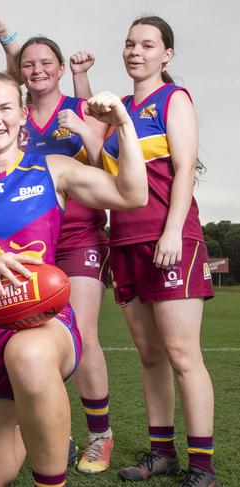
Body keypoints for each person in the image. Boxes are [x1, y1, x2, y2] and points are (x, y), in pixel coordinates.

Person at [0, 72, 146, 487]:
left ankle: (50, 476)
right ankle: (41, 427)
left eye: (5, 108)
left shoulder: (54, 169)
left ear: (23, 115)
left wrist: (124, 124)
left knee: (28, 356)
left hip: (42, 325)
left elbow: (132, 194)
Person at [0, 12, 114, 474]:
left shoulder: (80, 107)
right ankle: (51, 428)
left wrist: (87, 133)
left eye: (46, 62)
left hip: (77, 235)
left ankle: (99, 434)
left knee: (83, 333)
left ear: (58, 69)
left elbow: (108, 169)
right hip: (30, 242)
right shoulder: (10, 116)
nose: (37, 70)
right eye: (28, 64)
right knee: (25, 333)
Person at [102, 16, 219, 487]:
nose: (136, 51)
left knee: (182, 353)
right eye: (130, 43)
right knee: (150, 355)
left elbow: (186, 168)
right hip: (125, 242)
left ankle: (203, 468)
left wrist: (172, 232)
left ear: (166, 55)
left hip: (170, 240)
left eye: (147, 45)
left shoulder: (175, 99)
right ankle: (161, 453)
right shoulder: (122, 109)